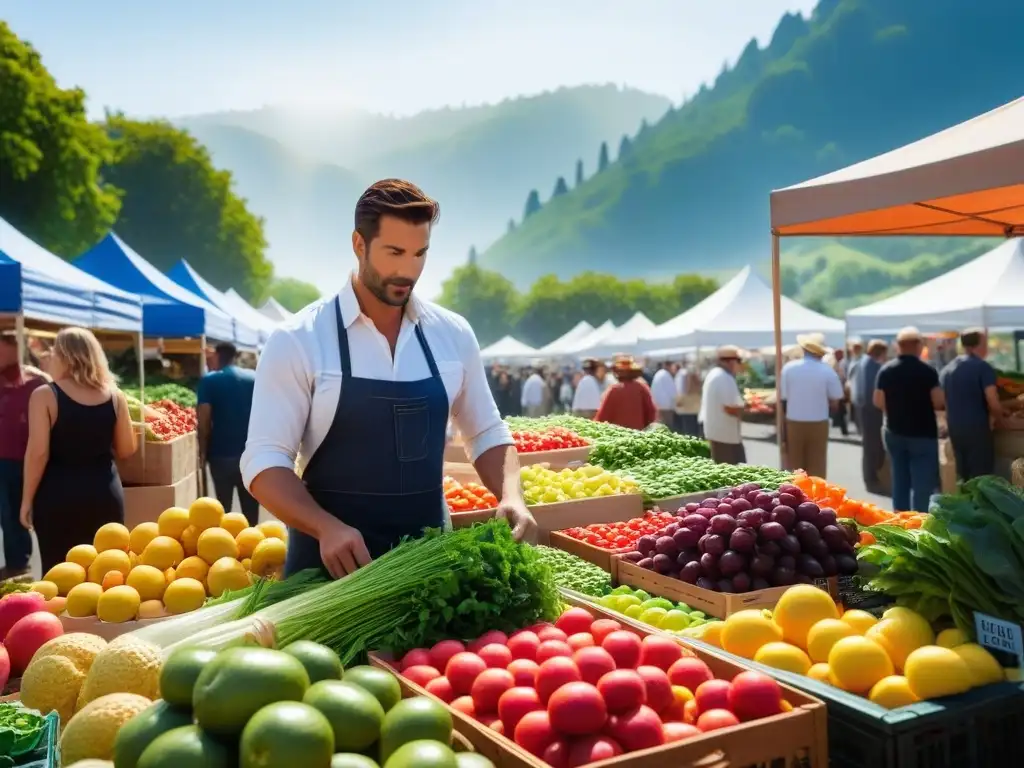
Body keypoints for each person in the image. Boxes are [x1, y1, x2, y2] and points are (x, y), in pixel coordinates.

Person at [241, 179, 536, 579]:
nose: (407, 270)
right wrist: (324, 526)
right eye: (394, 252)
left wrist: (511, 495)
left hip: (430, 572)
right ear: (359, 244)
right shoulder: (298, 339)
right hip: (326, 576)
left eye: (420, 254)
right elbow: (264, 462)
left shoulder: (453, 334)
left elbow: (485, 432)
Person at [20, 328, 137, 573]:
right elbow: (126, 450)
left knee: (59, 573)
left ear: (65, 356)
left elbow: (38, 453)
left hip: (57, 495)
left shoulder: (45, 395)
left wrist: (27, 500)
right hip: (104, 492)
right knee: (107, 572)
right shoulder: (116, 397)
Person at [874, 327, 944, 512]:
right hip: (923, 432)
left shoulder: (886, 371)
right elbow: (938, 402)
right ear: (918, 346)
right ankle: (919, 523)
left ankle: (899, 520)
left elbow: (878, 400)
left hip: (894, 430)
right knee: (922, 483)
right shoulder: (928, 371)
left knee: (899, 478)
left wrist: (895, 410)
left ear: (899, 346)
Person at [0, 333, 50, 579]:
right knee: (7, 513)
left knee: (24, 511)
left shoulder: (36, 380)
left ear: (15, 349)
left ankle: (24, 564)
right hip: (3, 458)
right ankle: (17, 564)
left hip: (28, 456)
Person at [198, 342, 260, 526]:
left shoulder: (209, 381)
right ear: (235, 356)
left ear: (217, 355)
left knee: (221, 511)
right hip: (250, 455)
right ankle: (252, 547)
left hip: (220, 454)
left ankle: (223, 546)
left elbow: (204, 420)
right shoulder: (254, 378)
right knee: (251, 510)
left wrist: (202, 451)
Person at [939, 328, 1004, 480]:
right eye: (985, 343)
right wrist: (1000, 418)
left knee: (963, 475)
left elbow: (943, 402)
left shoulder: (947, 369)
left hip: (955, 428)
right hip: (977, 429)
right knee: (981, 477)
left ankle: (966, 502)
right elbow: (992, 400)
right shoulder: (983, 367)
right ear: (979, 345)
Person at [780, 334, 844, 479]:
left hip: (794, 421)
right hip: (819, 421)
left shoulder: (788, 369)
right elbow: (836, 398)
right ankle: (816, 497)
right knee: (817, 464)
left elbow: (783, 397)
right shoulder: (827, 371)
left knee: (795, 466)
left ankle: (795, 496)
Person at [698, 347, 746, 464]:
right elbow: (730, 408)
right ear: (730, 361)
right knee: (730, 470)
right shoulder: (724, 378)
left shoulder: (715, 374)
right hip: (724, 436)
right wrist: (749, 412)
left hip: (718, 433)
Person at [853, 339, 888, 493]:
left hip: (863, 407)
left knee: (870, 444)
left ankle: (871, 476)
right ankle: (871, 478)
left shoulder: (862, 362)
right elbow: (871, 390)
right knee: (872, 445)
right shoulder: (872, 366)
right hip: (870, 409)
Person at [595, 358, 656, 430]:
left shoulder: (614, 390)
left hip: (618, 434)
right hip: (638, 434)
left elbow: (603, 416)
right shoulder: (642, 388)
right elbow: (651, 412)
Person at [675, 360, 702, 437]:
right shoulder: (694, 376)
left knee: (688, 426)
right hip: (695, 402)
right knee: (694, 425)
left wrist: (680, 400)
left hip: (687, 403)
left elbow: (684, 389)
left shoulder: (684, 374)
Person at [650, 362, 678, 428]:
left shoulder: (659, 374)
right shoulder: (666, 375)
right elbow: (672, 391)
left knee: (660, 426)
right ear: (669, 366)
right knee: (668, 426)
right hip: (667, 406)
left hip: (658, 405)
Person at [846, 340, 864, 432]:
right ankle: (859, 429)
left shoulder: (862, 360)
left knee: (859, 412)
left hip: (860, 390)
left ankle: (861, 430)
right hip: (854, 390)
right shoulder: (853, 361)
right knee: (856, 412)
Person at [831, 349, 849, 436]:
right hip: (841, 390)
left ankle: (844, 430)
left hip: (842, 390)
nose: (834, 356)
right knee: (842, 411)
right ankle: (843, 428)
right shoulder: (840, 363)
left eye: (836, 354)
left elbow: (843, 377)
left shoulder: (842, 363)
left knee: (842, 411)